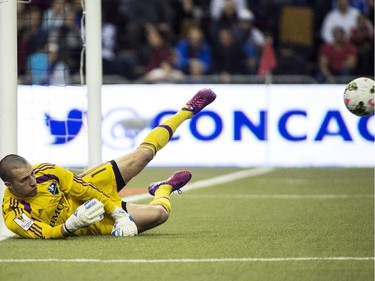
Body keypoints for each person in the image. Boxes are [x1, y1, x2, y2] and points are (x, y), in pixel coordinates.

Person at [0, 88, 217, 239]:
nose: (33, 181)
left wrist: (118, 212)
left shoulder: (45, 171)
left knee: (143, 155)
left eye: (31, 174)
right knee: (160, 215)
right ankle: (164, 188)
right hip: (93, 224)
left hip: (92, 190)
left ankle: (186, 111)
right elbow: (45, 233)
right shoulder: (14, 215)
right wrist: (70, 226)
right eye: (24, 179)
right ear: (9, 185)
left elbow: (83, 188)